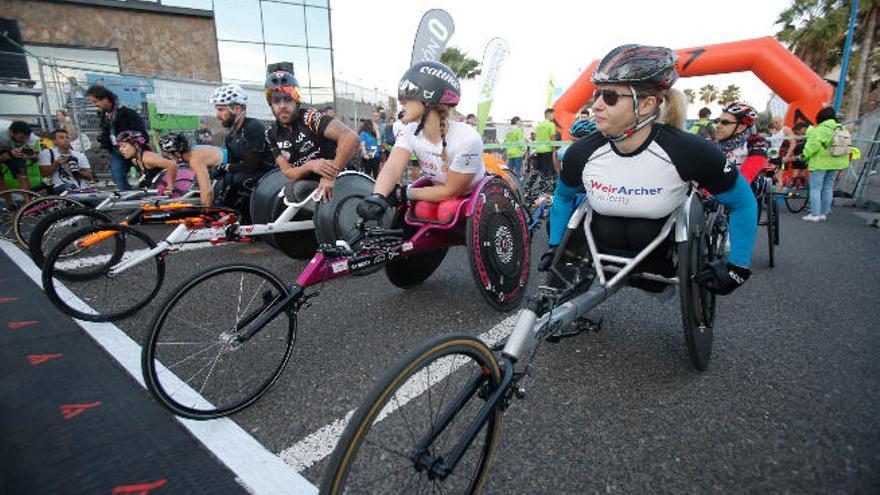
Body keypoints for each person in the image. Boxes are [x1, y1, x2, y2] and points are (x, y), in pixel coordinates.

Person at [541, 44, 758, 296]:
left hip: (661, 256)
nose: (596, 106)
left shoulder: (689, 150)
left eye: (609, 97)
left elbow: (742, 203)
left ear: (646, 105)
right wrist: (555, 245)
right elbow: (564, 197)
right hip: (599, 246)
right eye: (597, 95)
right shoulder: (582, 152)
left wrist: (737, 266)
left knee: (641, 229)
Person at [356, 61, 485, 222]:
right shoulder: (409, 130)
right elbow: (394, 165)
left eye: (408, 91)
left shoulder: (468, 138)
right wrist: (378, 196)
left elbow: (451, 192)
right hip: (439, 190)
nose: (401, 100)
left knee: (446, 211)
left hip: (469, 195)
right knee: (421, 209)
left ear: (430, 95)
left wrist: (404, 193)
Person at [263, 68, 357, 205]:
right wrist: (310, 166)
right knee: (289, 192)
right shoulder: (271, 133)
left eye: (288, 99)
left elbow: (350, 137)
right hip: (312, 183)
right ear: (271, 104)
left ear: (297, 100)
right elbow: (288, 172)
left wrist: (330, 175)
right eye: (276, 101)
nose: (282, 106)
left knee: (297, 189)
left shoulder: (310, 117)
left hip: (341, 177)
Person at [210, 83, 275, 217]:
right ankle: (225, 213)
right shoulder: (231, 136)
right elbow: (233, 165)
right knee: (226, 177)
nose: (217, 115)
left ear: (237, 109)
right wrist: (221, 169)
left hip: (270, 175)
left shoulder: (253, 127)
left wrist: (226, 167)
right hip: (247, 174)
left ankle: (248, 218)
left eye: (221, 110)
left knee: (239, 179)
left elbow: (250, 166)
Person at [85, 84, 149, 191]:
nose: (95, 105)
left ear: (106, 99)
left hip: (133, 148)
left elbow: (141, 132)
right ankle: (129, 200)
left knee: (147, 174)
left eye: (96, 101)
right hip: (116, 150)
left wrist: (137, 145)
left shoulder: (126, 112)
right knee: (118, 176)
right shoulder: (103, 115)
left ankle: (151, 196)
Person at [801, 107, 851, 222]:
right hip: (836, 162)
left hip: (821, 163)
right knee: (828, 188)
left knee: (815, 188)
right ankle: (824, 213)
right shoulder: (841, 127)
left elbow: (813, 145)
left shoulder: (821, 129)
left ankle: (814, 215)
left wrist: (804, 155)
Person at [159, 133, 223, 205]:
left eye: (169, 154)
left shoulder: (195, 159)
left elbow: (207, 191)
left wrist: (204, 211)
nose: (170, 157)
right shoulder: (193, 150)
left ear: (177, 154)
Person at [38, 128, 92, 194]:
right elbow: (44, 174)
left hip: (82, 188)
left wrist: (76, 172)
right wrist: (56, 163)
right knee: (70, 188)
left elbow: (89, 177)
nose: (66, 140)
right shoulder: (47, 153)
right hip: (60, 186)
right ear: (54, 141)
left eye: (67, 137)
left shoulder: (79, 155)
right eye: (61, 138)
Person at [715, 102, 758, 170]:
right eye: (717, 121)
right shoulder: (714, 145)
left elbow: (746, 177)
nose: (717, 125)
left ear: (740, 128)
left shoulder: (754, 144)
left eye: (725, 122)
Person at [0, 120, 40, 191]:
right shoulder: (1, 131)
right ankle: (9, 201)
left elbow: (34, 157)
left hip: (12, 149)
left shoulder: (31, 137)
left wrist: (31, 156)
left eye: (26, 138)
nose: (24, 141)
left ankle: (28, 200)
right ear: (12, 133)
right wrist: (7, 155)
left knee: (22, 174)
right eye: (21, 138)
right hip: (3, 146)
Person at [534, 108, 558, 178]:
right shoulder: (551, 124)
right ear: (549, 114)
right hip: (547, 150)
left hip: (538, 150)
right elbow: (552, 137)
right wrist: (554, 150)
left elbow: (536, 137)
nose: (554, 116)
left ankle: (540, 186)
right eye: (553, 114)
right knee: (547, 172)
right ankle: (546, 187)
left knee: (540, 171)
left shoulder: (539, 125)